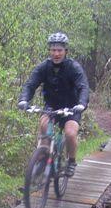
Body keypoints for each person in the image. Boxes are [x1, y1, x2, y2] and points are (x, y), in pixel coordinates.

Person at [18, 32, 89, 177]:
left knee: (70, 133)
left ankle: (71, 161)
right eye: (53, 50)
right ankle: (43, 158)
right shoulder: (43, 67)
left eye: (59, 50)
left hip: (72, 107)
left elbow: (83, 87)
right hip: (51, 106)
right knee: (44, 126)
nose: (56, 53)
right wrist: (24, 100)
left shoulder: (73, 67)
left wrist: (82, 104)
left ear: (65, 51)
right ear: (49, 50)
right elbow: (30, 84)